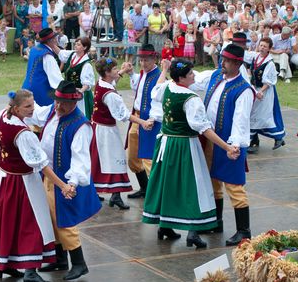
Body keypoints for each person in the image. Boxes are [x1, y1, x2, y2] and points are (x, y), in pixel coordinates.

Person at [0, 90, 76, 282]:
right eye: (27, 106)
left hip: (4, 179)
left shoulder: (1, 117)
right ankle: (30, 271)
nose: (32, 109)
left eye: (33, 104)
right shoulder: (24, 134)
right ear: (16, 108)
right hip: (23, 184)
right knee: (32, 224)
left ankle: (4, 265)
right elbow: (41, 165)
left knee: (8, 223)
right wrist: (63, 186)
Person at [142, 59, 240, 249]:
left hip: (166, 144)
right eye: (190, 74)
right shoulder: (191, 98)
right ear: (181, 78)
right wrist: (227, 147)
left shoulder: (169, 87)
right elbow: (203, 128)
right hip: (184, 146)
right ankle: (193, 232)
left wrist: (163, 70)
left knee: (168, 184)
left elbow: (156, 90)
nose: (194, 75)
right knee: (193, 186)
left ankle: (164, 227)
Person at [26, 81, 102, 281]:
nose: (58, 106)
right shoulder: (53, 111)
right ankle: (59, 259)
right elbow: (36, 113)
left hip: (65, 181)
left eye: (63, 103)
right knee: (50, 218)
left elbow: (81, 159)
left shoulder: (80, 126)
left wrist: (72, 184)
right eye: (57, 101)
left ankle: (79, 263)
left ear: (74, 102)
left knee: (65, 221)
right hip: (48, 175)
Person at [191, 44, 254, 246]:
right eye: (222, 59)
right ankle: (216, 221)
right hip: (211, 140)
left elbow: (241, 120)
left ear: (237, 63)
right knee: (213, 181)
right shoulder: (217, 76)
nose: (223, 63)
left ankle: (244, 231)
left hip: (230, 144)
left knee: (234, 186)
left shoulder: (244, 90)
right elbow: (195, 80)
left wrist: (234, 145)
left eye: (227, 60)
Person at [90, 57, 152, 209]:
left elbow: (113, 81)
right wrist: (143, 122)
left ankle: (114, 195)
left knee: (108, 161)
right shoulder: (110, 95)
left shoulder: (101, 82)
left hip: (100, 128)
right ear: (107, 72)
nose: (117, 71)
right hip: (105, 131)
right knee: (112, 160)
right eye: (115, 69)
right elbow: (122, 114)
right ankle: (110, 194)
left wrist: (124, 70)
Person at [125, 44, 163, 199]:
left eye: (146, 60)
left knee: (148, 156)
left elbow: (160, 100)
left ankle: (155, 192)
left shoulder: (159, 76)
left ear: (154, 59)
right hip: (137, 118)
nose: (143, 63)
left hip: (149, 119)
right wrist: (131, 73)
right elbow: (138, 88)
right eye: (141, 60)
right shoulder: (143, 73)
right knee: (133, 157)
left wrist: (153, 118)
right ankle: (144, 187)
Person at [249, 37, 286, 151]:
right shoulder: (256, 58)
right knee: (254, 114)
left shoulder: (269, 63)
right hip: (256, 89)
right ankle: (254, 140)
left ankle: (277, 137)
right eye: (261, 45)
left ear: (269, 49)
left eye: (265, 46)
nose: (262, 48)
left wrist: (261, 91)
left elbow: (269, 81)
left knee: (263, 116)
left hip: (265, 91)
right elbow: (250, 70)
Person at [59, 36, 94, 118]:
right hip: (69, 94)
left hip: (80, 97)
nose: (75, 46)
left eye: (78, 45)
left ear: (84, 47)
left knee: (79, 118)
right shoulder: (72, 55)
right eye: (75, 44)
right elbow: (60, 53)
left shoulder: (86, 64)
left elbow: (86, 85)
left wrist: (79, 93)